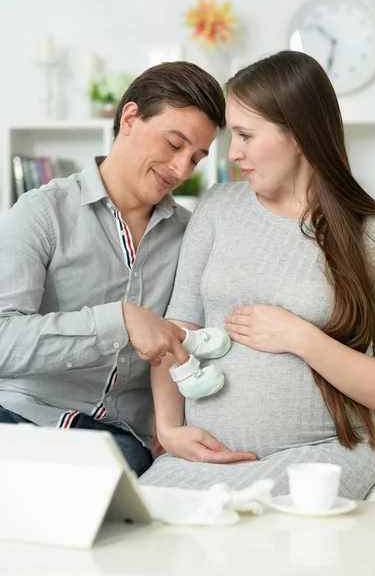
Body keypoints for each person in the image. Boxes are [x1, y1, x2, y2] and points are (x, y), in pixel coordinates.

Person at [140, 51, 375, 499]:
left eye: (245, 135)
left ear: (298, 134)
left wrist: (300, 336)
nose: (232, 152)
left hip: (318, 457)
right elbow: (177, 329)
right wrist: (169, 427)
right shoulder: (218, 206)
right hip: (204, 458)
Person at [0, 61, 250, 476]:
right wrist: (119, 321)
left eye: (196, 158)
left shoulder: (192, 236)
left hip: (118, 440)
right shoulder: (42, 213)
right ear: (131, 118)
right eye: (174, 144)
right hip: (19, 417)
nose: (181, 169)